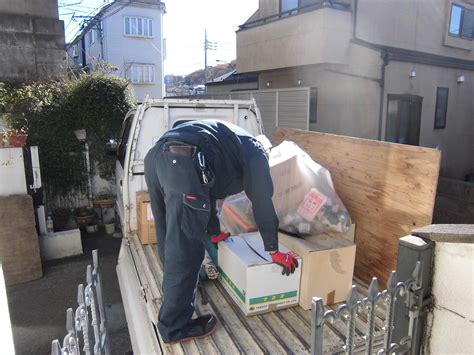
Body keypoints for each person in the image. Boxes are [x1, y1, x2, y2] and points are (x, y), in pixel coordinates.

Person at [144, 120, 299, 344]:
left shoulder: (229, 144)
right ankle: (175, 327)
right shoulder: (256, 154)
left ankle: (175, 293)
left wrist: (214, 232)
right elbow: (263, 202)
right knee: (186, 247)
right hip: (183, 161)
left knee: (168, 234)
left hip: (158, 157)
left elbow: (209, 191)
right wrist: (274, 251)